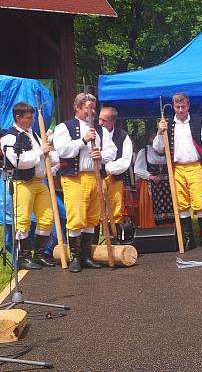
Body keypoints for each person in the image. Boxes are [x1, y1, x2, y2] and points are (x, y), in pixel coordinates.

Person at [53, 93, 116, 272]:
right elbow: (63, 150)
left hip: (95, 176)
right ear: (78, 107)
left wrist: (101, 155)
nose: (93, 111)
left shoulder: (101, 129)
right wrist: (83, 140)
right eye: (89, 107)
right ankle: (75, 257)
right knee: (76, 217)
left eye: (93, 107)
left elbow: (112, 150)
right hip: (74, 178)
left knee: (92, 217)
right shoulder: (64, 127)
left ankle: (86, 256)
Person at [0, 102, 59, 269]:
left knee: (47, 218)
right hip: (22, 183)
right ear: (18, 118)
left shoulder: (34, 135)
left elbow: (46, 156)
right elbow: (22, 162)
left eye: (33, 117)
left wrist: (52, 156)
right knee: (22, 221)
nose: (32, 120)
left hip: (39, 182)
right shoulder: (10, 138)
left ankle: (39, 254)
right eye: (29, 117)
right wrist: (41, 151)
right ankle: (24, 257)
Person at [155, 93, 202, 250]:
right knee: (181, 203)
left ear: (188, 105)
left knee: (199, 202)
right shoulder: (167, 124)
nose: (180, 110)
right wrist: (160, 133)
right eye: (177, 107)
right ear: (173, 107)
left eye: (183, 106)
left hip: (195, 166)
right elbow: (158, 148)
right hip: (177, 168)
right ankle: (189, 238)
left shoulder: (198, 122)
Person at [99, 106, 134, 237]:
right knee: (97, 209)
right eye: (99, 119)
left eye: (104, 120)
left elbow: (125, 161)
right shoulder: (94, 133)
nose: (100, 123)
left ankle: (115, 239)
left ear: (112, 121)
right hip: (96, 177)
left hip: (114, 177)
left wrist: (108, 169)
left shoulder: (123, 137)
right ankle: (94, 243)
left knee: (115, 209)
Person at [133, 126, 174, 227]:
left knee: (171, 212)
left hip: (168, 189)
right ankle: (151, 232)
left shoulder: (169, 152)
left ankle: (172, 233)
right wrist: (150, 176)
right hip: (150, 187)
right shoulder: (145, 152)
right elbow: (137, 169)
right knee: (151, 212)